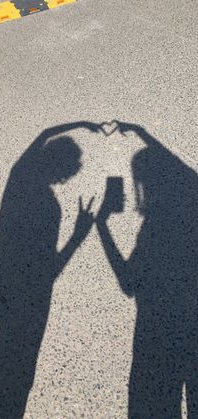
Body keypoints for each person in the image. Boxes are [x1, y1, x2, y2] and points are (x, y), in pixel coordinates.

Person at [0, 121, 98, 419]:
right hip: (24, 298)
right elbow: (48, 270)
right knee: (8, 380)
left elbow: (43, 135)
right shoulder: (49, 207)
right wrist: (78, 235)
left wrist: (81, 125)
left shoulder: (21, 178)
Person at [96, 123, 198, 418]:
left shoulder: (155, 229)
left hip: (156, 335)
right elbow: (178, 167)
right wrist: (140, 132)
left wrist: (101, 225)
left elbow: (128, 283)